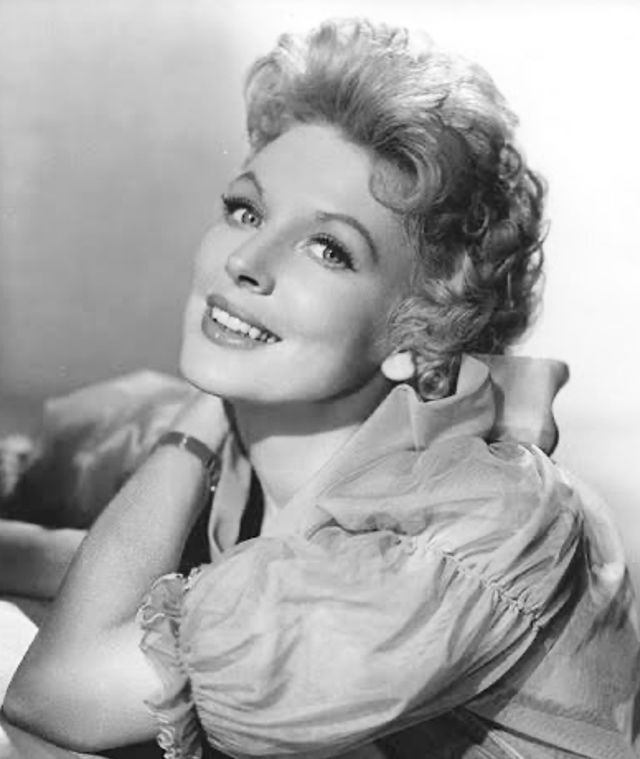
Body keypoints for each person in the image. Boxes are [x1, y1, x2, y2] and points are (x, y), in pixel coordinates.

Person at [3, 17, 639, 759]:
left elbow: (58, 695)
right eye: (246, 210)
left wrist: (195, 423)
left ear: (417, 335)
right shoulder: (277, 439)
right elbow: (139, 573)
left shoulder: (466, 526)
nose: (246, 260)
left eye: (329, 249)